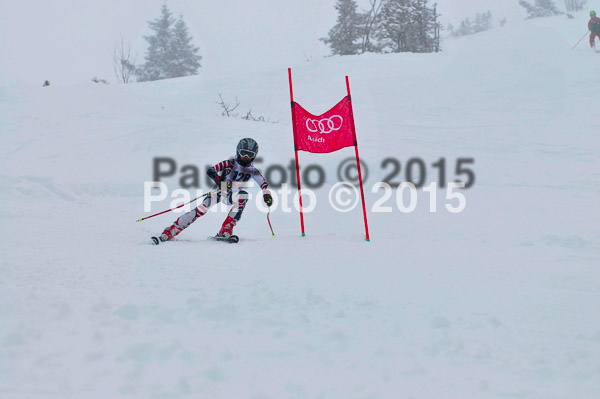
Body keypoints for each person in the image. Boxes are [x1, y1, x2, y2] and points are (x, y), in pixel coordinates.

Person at [154, 138, 272, 243]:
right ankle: (171, 231)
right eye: (243, 153)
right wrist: (219, 180)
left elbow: (263, 184)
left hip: (233, 195)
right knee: (200, 211)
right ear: (238, 151)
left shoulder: (252, 170)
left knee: (243, 196)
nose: (246, 157)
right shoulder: (230, 163)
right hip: (220, 192)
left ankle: (226, 229)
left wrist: (266, 195)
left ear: (254, 156)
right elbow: (211, 170)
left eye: (249, 154)